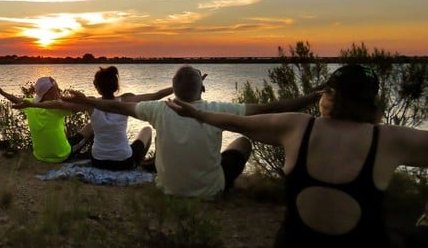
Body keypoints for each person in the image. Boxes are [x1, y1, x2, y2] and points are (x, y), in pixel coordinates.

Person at [166, 64, 428, 247]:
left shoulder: (298, 126)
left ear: (330, 96)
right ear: (371, 103)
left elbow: (235, 122)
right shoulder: (390, 139)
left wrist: (197, 114)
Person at [65, 65, 320, 198]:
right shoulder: (219, 109)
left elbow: (111, 105)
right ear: (202, 89)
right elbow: (272, 107)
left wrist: (87, 101)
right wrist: (311, 97)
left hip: (167, 188)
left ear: (175, 90)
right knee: (242, 142)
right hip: (209, 192)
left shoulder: (156, 110)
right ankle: (217, 184)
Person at [11, 67, 171, 170]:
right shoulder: (127, 100)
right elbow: (155, 96)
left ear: (96, 86)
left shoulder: (89, 103)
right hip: (123, 162)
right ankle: (142, 165)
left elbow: (58, 104)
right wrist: (177, 88)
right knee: (147, 130)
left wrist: (33, 105)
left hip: (98, 160)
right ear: (116, 86)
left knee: (93, 124)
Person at [0, 76, 95, 163]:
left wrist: (1, 92)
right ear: (49, 92)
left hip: (39, 156)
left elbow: (15, 99)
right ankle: (93, 156)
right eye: (57, 89)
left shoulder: (30, 104)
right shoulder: (58, 109)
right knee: (91, 126)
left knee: (66, 135)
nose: (60, 90)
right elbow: (88, 105)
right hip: (60, 156)